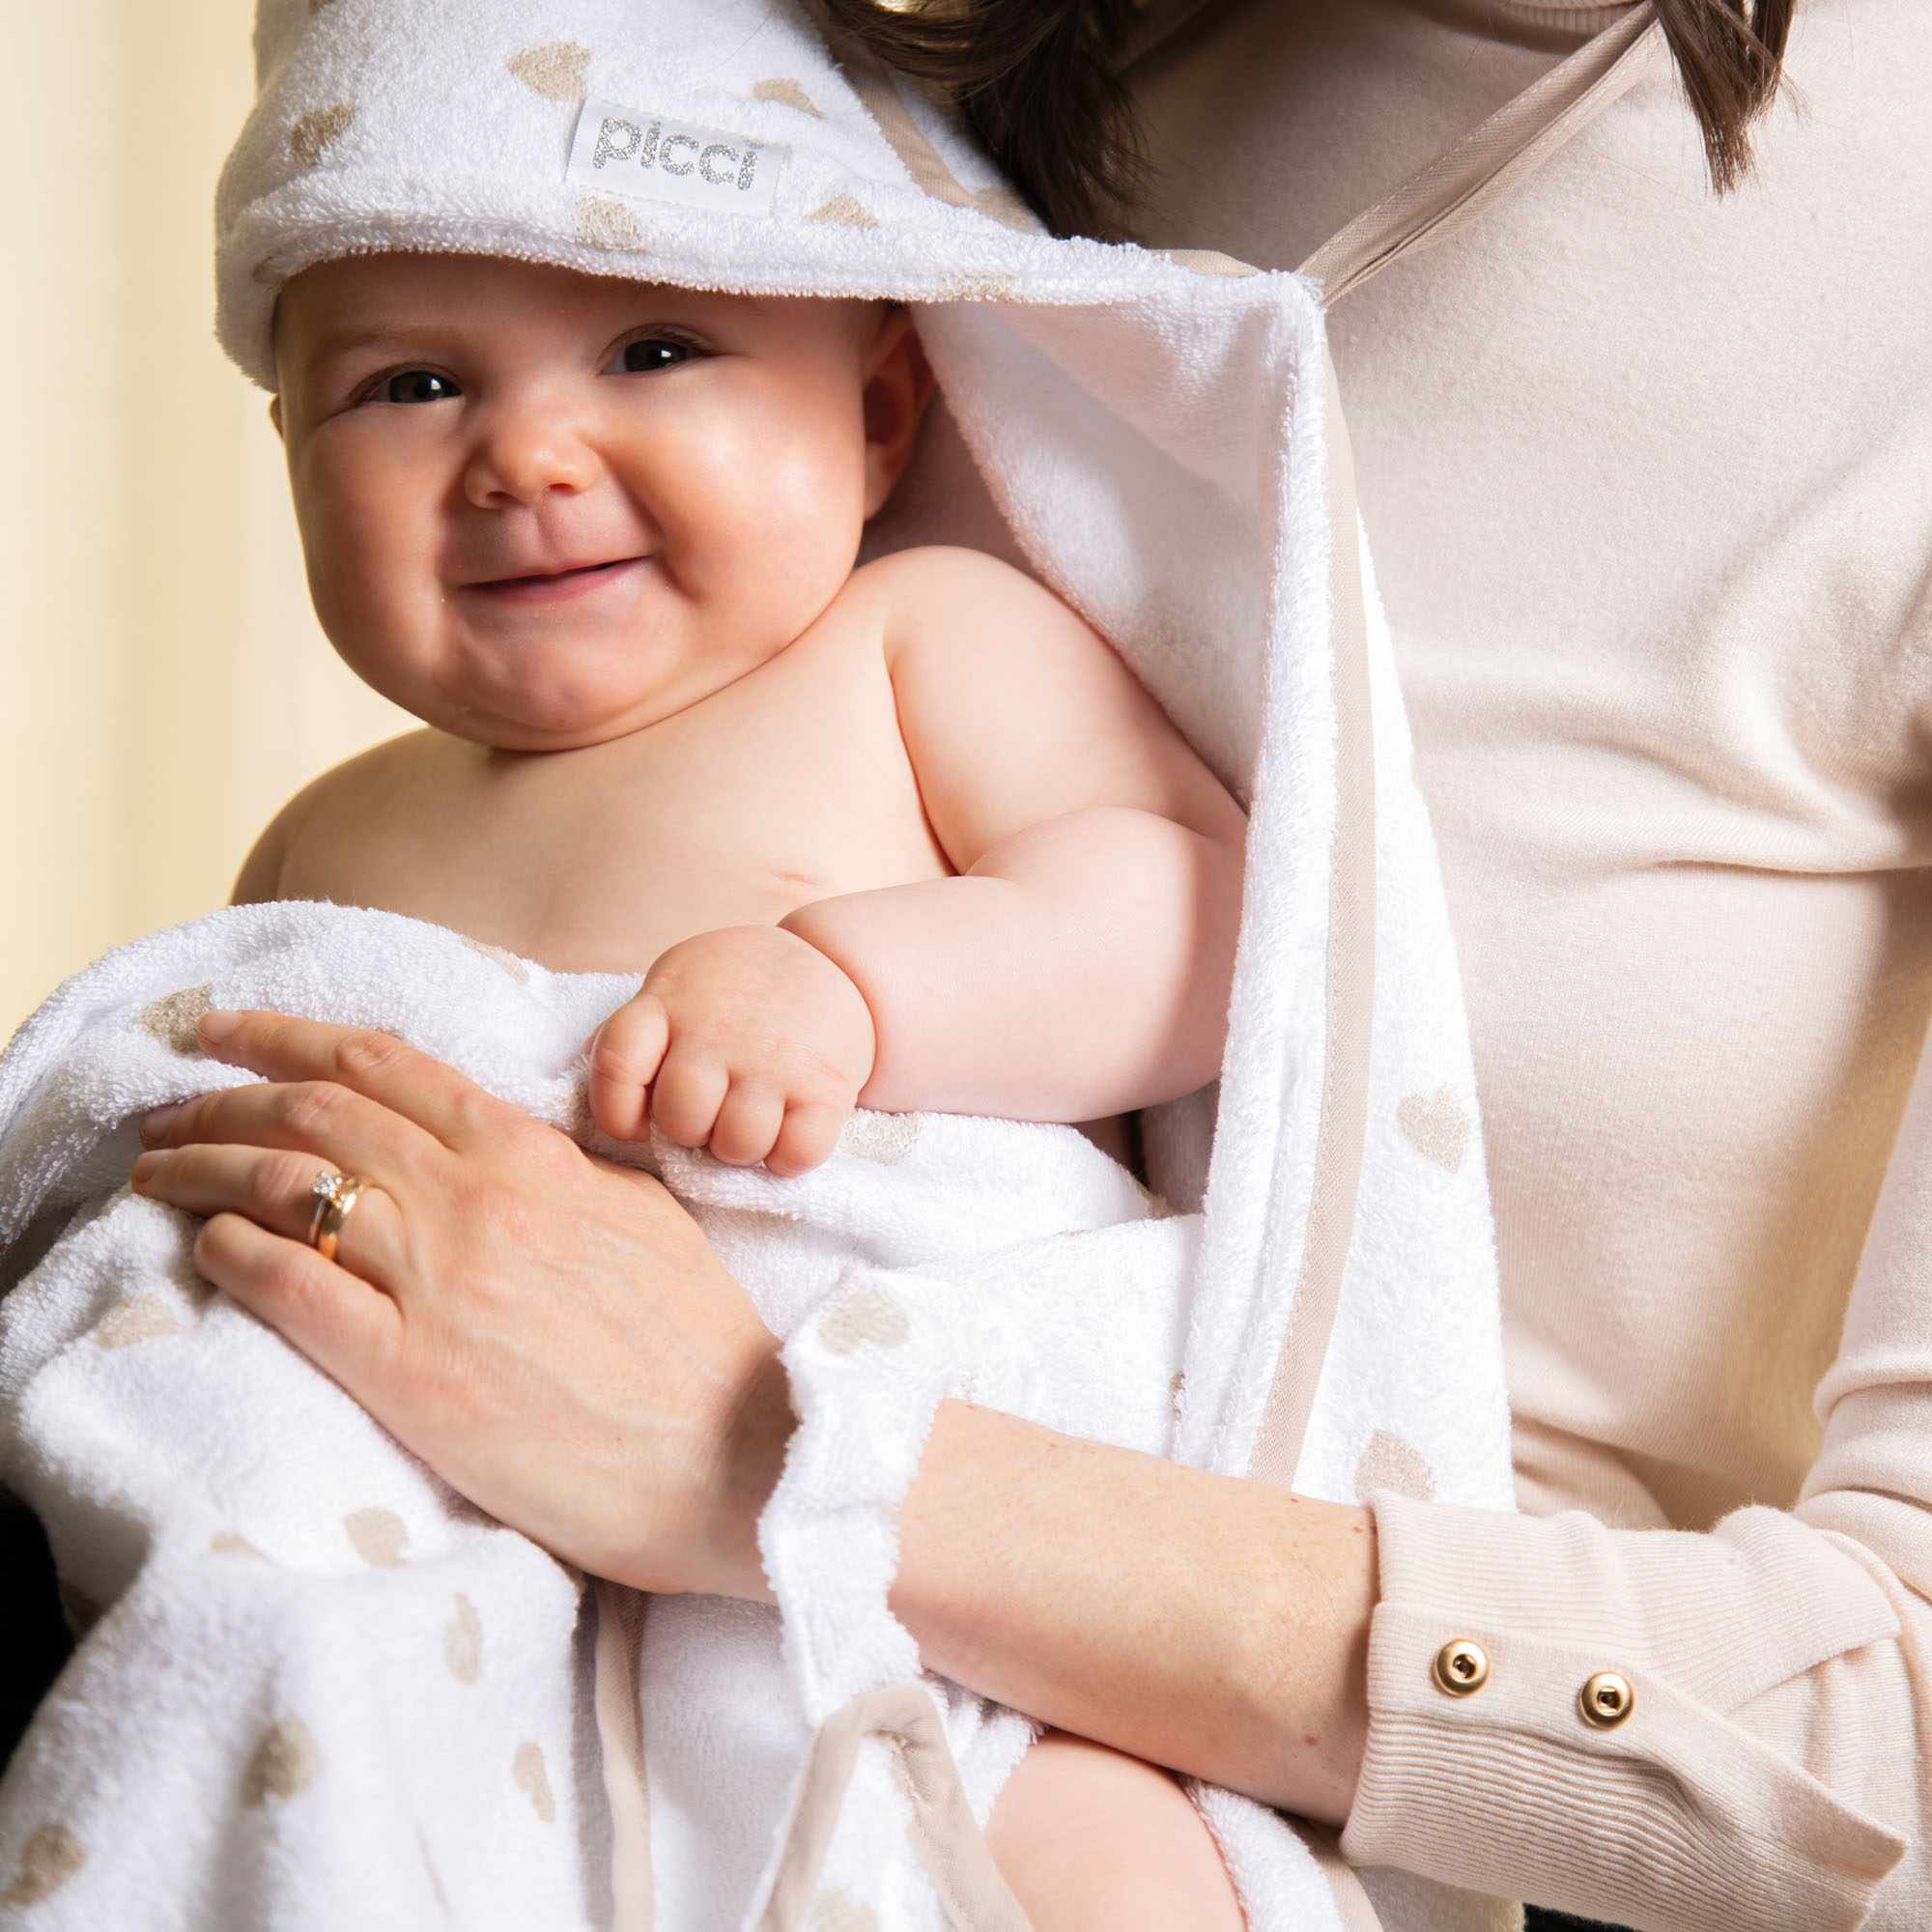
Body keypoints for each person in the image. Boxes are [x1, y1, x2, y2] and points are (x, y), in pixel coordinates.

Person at [132, 0, 1932, 1923]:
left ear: (882, 407)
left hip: (1244, 1742)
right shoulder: (872, 122)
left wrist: (778, 1443)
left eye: (649, 355)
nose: (529, 457)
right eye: (408, 388)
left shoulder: (912, 596)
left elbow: (1189, 926)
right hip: (473, 1584)